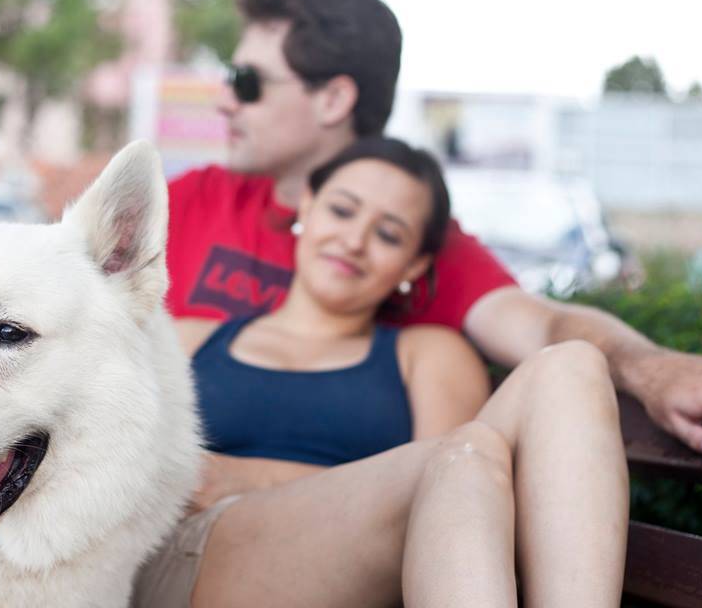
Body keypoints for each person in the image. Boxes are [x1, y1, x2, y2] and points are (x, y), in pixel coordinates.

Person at [165, 0, 702, 458]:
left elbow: (545, 326)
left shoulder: (421, 245)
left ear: (334, 99)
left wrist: (652, 368)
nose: (224, 100)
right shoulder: (187, 202)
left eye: (247, 82)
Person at [132, 136, 628, 607]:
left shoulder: (429, 354)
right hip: (197, 561)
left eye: (388, 234)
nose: (354, 240)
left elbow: (458, 488)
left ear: (414, 265)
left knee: (571, 364)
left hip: (372, 562)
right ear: (306, 207)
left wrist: (251, 476)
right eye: (342, 210)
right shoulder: (190, 338)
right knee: (454, 462)